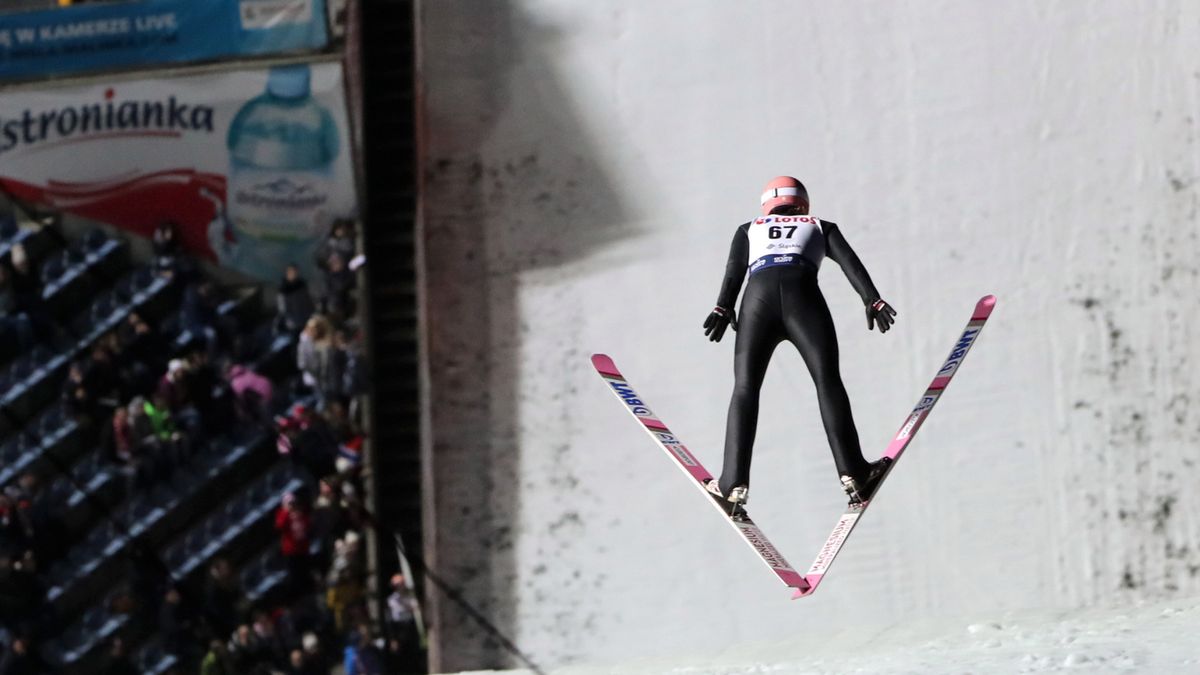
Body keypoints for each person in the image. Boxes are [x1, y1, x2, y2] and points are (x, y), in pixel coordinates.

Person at [704, 176, 897, 507]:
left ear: (767, 205)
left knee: (745, 387)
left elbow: (734, 271)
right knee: (827, 381)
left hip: (757, 300)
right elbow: (850, 263)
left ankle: (733, 480)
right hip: (803, 297)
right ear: (803, 202)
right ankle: (853, 473)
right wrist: (872, 299)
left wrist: (724, 306)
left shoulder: (749, 229)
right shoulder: (821, 226)